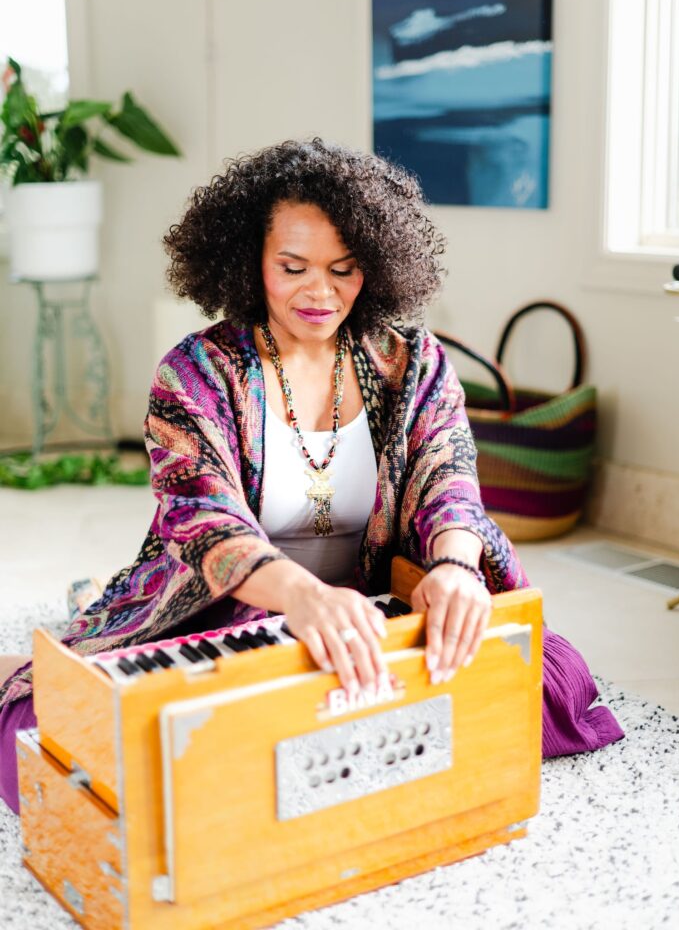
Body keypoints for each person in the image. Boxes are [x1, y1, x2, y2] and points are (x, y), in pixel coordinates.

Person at [0, 138, 624, 813]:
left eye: (344, 268)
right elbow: (202, 522)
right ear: (249, 262)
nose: (320, 292)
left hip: (376, 603)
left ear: (377, 267)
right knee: (68, 742)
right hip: (238, 603)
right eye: (292, 267)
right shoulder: (195, 373)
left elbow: (449, 479)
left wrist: (453, 569)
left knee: (556, 686)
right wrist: (303, 599)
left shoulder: (413, 363)